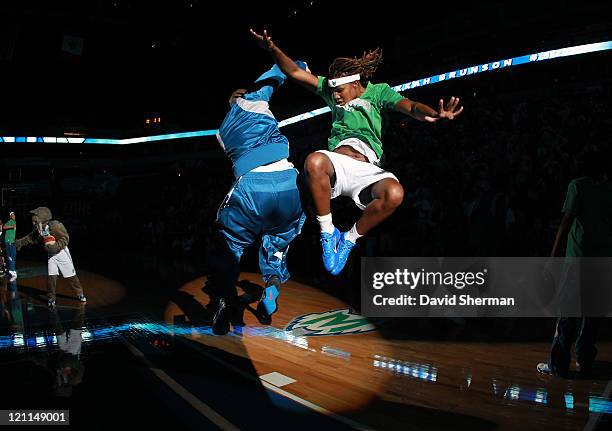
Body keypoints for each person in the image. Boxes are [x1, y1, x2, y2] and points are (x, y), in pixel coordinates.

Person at [251, 29, 463, 275]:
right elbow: (296, 72)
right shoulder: (333, 93)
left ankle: (348, 240)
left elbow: (412, 106)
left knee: (394, 194)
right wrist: (273, 49)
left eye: (340, 91)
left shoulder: (379, 92)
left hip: (368, 169)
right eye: (333, 91)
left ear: (354, 83)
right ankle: (328, 233)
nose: (336, 96)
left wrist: (433, 114)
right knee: (315, 161)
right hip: (339, 163)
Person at [207, 61, 308, 335]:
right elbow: (276, 73)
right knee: (276, 246)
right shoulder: (253, 99)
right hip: (289, 184)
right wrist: (300, 65)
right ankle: (271, 293)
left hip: (252, 188)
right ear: (241, 96)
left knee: (231, 248)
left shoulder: (221, 131)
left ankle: (223, 301)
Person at [537, 151, 612, 378]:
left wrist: (552, 255)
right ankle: (585, 358)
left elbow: (567, 220)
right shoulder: (608, 190)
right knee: (592, 314)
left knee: (568, 312)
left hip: (578, 258)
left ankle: (558, 364)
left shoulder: (577, 186)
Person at [15, 207, 86, 309]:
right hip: (51, 255)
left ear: (42, 219)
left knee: (71, 277)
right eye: (33, 221)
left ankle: (80, 293)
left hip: (62, 254)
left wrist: (55, 247)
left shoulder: (55, 226)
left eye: (35, 221)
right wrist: (18, 243)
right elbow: (30, 238)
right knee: (51, 278)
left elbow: (65, 238)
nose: (34, 224)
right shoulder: (40, 229)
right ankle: (51, 298)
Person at [3, 211, 17, 279]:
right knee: (10, 256)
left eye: (14, 215)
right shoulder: (10, 221)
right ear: (10, 216)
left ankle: (12, 270)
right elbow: (4, 227)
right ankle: (11, 270)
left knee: (13, 256)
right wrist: (11, 226)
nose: (14, 216)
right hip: (8, 241)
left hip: (12, 241)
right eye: (12, 215)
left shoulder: (14, 222)